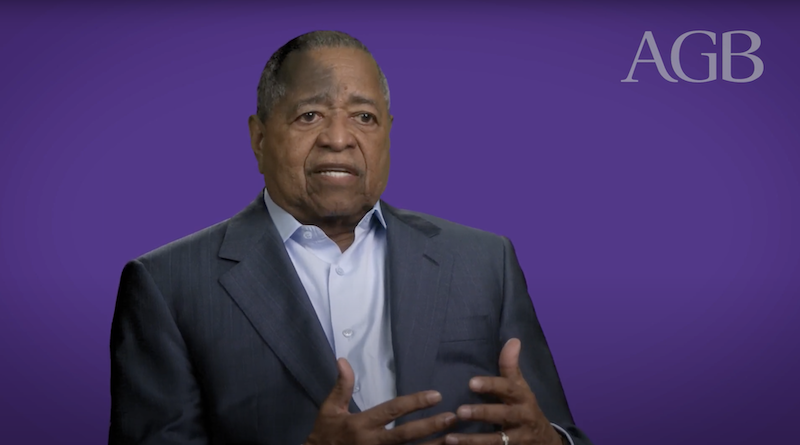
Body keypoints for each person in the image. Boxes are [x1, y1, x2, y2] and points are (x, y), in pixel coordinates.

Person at [109, 30, 593, 445]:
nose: (338, 138)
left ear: (387, 134)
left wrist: (549, 440)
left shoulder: (486, 261)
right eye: (310, 115)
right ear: (259, 137)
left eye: (364, 117)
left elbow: (557, 431)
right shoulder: (166, 285)